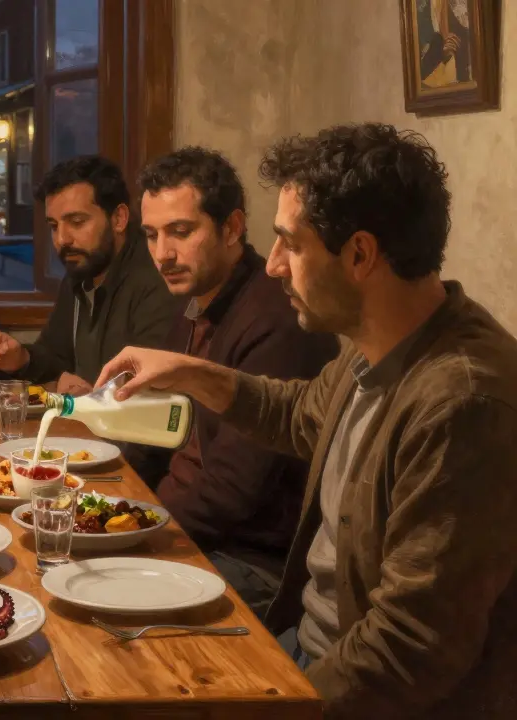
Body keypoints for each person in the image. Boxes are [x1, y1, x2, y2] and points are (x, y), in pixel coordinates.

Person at [97, 123, 517, 718]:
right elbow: (294, 413)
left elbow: (409, 648)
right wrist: (190, 371)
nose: (272, 267)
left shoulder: (462, 401)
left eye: (290, 244)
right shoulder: (373, 345)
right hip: (305, 646)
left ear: (360, 254)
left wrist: (282, 704)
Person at [132, 147, 338, 618]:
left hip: (251, 559)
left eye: (181, 231)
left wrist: (138, 534)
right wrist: (112, 508)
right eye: (151, 235)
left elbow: (232, 492)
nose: (163, 254)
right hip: (189, 527)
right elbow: (157, 428)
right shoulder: (195, 301)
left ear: (232, 228)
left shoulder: (277, 319)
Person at [0, 155, 177, 392]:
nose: (62, 239)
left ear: (119, 219)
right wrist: (21, 359)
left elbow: (149, 389)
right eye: (54, 226)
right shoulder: (82, 271)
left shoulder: (157, 278)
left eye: (77, 222)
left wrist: (87, 397)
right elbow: (55, 356)